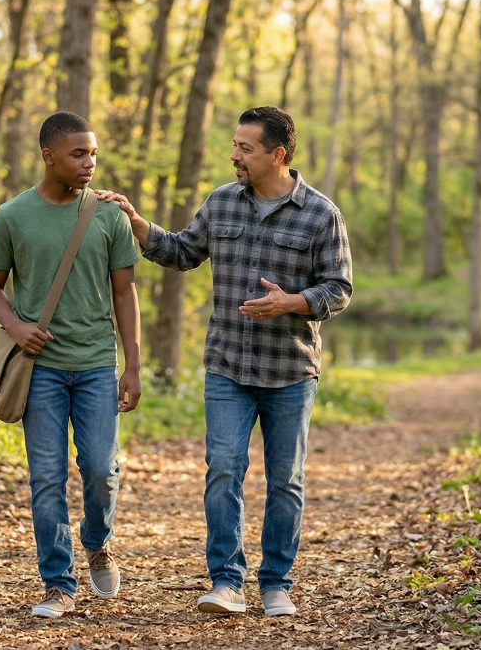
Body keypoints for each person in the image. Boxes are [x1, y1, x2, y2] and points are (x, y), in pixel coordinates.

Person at [118, 106, 352, 616]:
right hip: (227, 365)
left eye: (245, 148)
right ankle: (226, 582)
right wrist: (138, 224)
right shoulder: (221, 203)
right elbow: (181, 252)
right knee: (223, 469)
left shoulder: (320, 213)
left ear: (278, 154)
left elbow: (339, 289)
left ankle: (276, 584)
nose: (235, 156)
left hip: (290, 372)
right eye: (234, 145)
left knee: (285, 479)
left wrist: (291, 302)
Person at [0, 112, 142, 618]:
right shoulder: (12, 216)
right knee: (46, 478)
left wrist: (132, 365)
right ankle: (58, 583)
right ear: (49, 156)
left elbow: (125, 291)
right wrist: (15, 326)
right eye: (79, 153)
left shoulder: (109, 215)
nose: (90, 162)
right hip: (40, 369)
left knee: (100, 469)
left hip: (96, 364)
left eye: (93, 152)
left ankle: (97, 541)